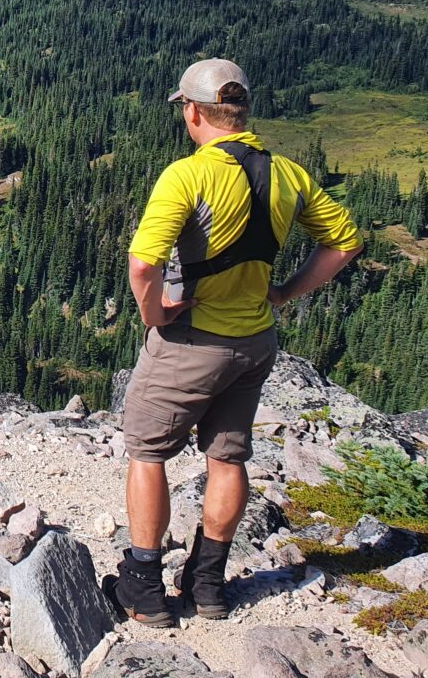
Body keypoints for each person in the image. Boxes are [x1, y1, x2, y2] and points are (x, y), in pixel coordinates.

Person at [111, 58, 362, 626]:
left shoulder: (188, 175)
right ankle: (208, 586)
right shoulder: (289, 175)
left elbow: (143, 263)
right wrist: (284, 293)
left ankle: (144, 588)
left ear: (194, 112)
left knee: (147, 453)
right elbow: (344, 242)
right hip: (254, 343)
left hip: (190, 343)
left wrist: (156, 315)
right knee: (228, 457)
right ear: (242, 112)